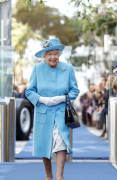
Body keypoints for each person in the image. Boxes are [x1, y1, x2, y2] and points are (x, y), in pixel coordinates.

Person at [25, 38, 79, 180]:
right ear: (44, 56)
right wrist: (42, 100)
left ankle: (60, 177)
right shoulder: (37, 69)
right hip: (43, 112)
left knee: (61, 142)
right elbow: (29, 91)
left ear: (59, 54)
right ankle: (48, 175)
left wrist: (61, 98)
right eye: (49, 54)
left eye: (55, 54)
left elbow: (75, 90)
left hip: (61, 112)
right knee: (45, 144)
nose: (53, 57)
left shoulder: (68, 69)